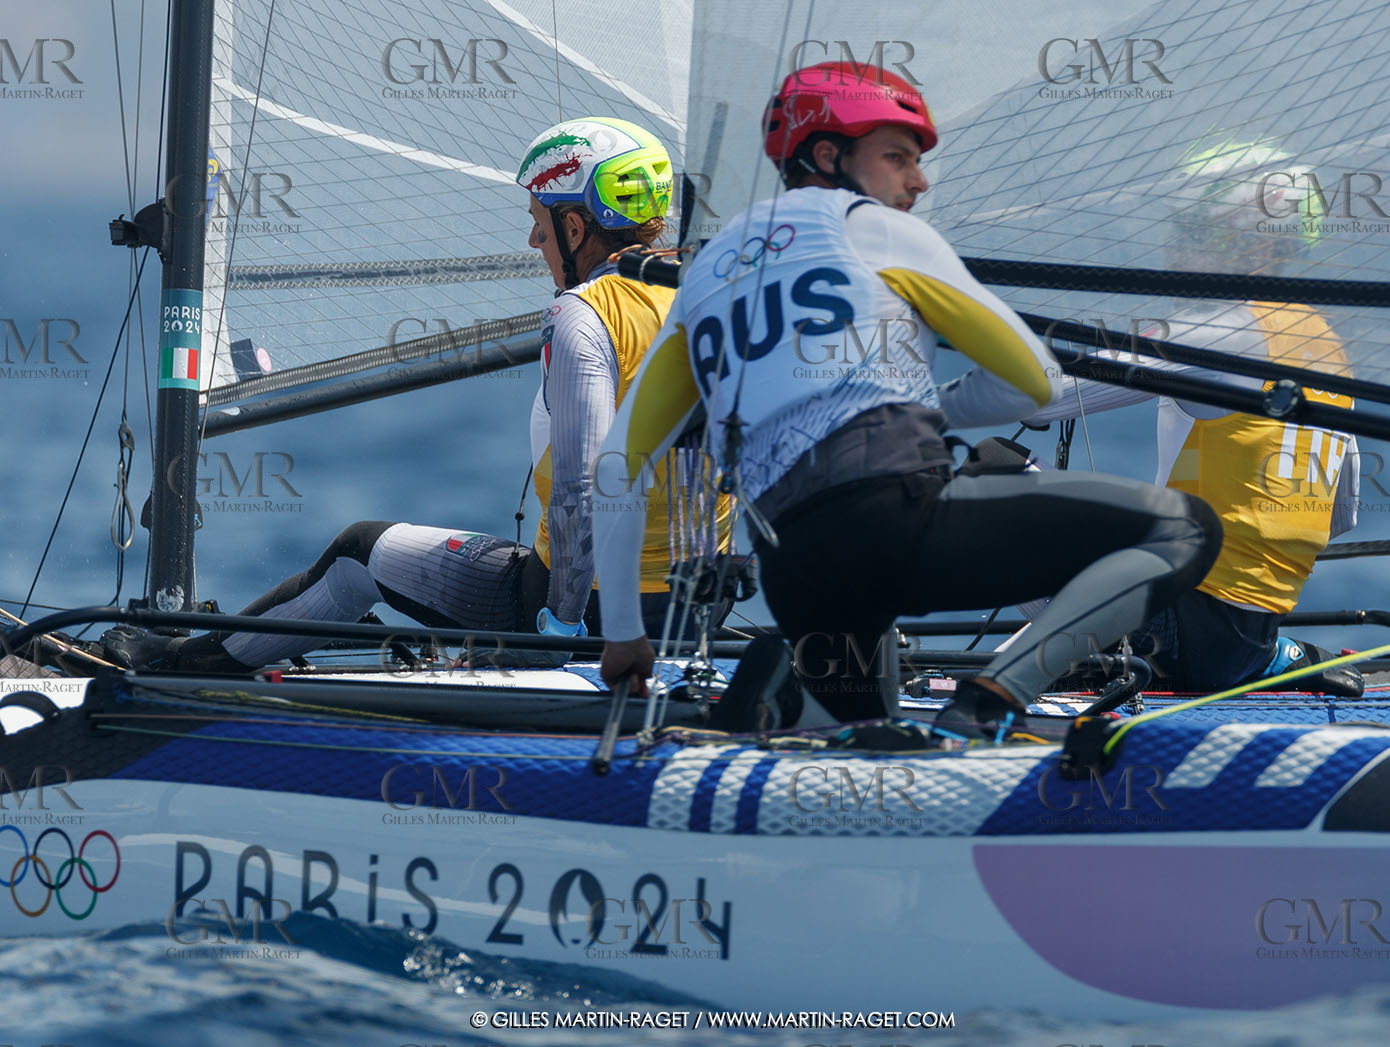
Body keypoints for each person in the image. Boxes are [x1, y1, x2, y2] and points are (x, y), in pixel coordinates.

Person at [594, 61, 1223, 724]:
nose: (918, 182)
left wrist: (623, 635)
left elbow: (616, 467)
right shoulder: (876, 229)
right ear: (828, 156)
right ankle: (993, 699)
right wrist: (938, 408)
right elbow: (1031, 380)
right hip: (897, 530)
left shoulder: (702, 274)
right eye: (897, 158)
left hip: (796, 576)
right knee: (1181, 527)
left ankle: (837, 736)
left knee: (866, 746)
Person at [102, 116, 728, 673]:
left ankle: (181, 669)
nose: (534, 243)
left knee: (356, 553)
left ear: (572, 225)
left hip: (585, 611)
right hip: (697, 613)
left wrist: (559, 634)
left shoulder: (584, 314)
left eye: (538, 224)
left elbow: (581, 488)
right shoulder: (710, 299)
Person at [1020, 140, 1363, 695]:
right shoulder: (1326, 344)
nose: (1172, 246)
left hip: (1172, 637)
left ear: (1253, 243)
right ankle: (1275, 656)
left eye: (1193, 231)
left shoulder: (1216, 331)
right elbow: (1341, 518)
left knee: (986, 475)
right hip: (1246, 639)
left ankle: (1078, 660)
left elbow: (1038, 398)